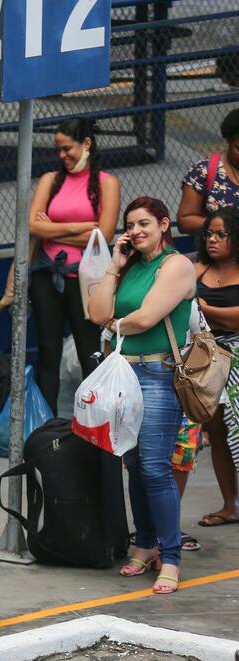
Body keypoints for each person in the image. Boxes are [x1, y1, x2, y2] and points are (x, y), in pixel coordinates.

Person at [89, 196, 196, 595]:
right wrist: (114, 267)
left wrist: (117, 323)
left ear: (165, 225)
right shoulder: (130, 266)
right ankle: (146, 543)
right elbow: (96, 312)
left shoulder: (177, 266)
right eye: (130, 225)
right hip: (124, 373)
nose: (135, 231)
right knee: (133, 464)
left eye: (144, 224)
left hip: (157, 372)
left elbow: (148, 317)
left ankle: (170, 556)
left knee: (154, 467)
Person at [24, 117, 121, 412]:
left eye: (68, 148)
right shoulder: (50, 180)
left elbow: (102, 237)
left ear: (86, 144)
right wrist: (80, 227)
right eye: (58, 149)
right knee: (48, 352)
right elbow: (32, 226)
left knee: (89, 351)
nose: (62, 155)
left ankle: (94, 423)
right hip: (48, 276)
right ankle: (46, 425)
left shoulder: (107, 183)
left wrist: (54, 227)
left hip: (86, 280)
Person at [196, 207, 239, 529]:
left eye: (220, 234)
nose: (212, 239)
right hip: (206, 358)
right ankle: (230, 505)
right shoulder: (197, 270)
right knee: (217, 432)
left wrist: (205, 309)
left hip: (235, 356)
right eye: (209, 233)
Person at [178, 107, 239, 237]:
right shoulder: (204, 170)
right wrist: (227, 226)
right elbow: (184, 222)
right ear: (228, 141)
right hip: (218, 254)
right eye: (238, 149)